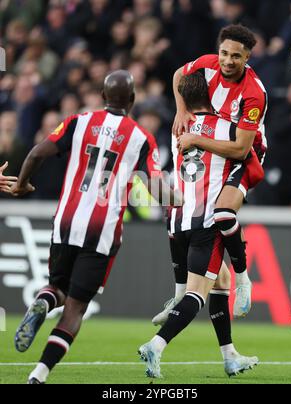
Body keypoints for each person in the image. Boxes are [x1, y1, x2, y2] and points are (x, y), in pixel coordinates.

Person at [12, 70, 182, 385]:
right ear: (132, 100)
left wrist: (22, 184)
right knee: (76, 307)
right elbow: (157, 189)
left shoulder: (77, 123)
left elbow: (36, 153)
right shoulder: (140, 137)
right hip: (102, 230)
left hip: (66, 221)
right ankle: (38, 374)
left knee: (58, 287)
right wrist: (183, 198)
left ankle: (45, 300)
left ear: (103, 97)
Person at [139, 70, 258, 380]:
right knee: (197, 294)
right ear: (213, 96)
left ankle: (230, 355)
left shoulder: (177, 128)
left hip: (178, 220)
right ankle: (157, 344)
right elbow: (247, 156)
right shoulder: (226, 128)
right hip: (206, 222)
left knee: (221, 282)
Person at [154, 24, 267, 323]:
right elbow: (179, 75)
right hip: (214, 145)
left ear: (247, 58)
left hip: (246, 155)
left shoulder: (254, 94)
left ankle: (243, 280)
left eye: (236, 57)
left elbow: (241, 149)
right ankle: (185, 293)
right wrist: (180, 110)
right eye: (224, 53)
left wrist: (195, 139)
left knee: (223, 214)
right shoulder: (207, 63)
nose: (228, 61)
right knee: (185, 215)